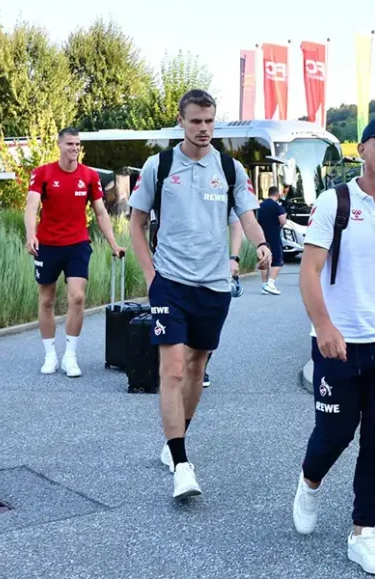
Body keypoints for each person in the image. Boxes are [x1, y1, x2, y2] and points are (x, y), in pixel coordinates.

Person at [291, 116, 375, 576]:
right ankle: (310, 482)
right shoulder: (336, 202)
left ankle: (363, 532)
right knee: (334, 434)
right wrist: (325, 326)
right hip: (338, 345)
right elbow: (309, 272)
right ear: (362, 149)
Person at [128, 89, 271, 500]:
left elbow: (246, 214)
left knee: (195, 368)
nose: (204, 129)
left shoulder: (230, 169)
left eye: (209, 121)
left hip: (214, 286)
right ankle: (182, 463)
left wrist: (261, 246)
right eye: (195, 121)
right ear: (181, 122)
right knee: (171, 370)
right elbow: (136, 225)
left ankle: (175, 438)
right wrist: (151, 276)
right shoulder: (160, 166)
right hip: (170, 282)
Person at [25, 127, 125, 378]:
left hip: (77, 245)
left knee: (77, 297)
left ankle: (70, 356)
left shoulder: (89, 176)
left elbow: (101, 212)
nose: (74, 148)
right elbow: (31, 207)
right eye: (70, 144)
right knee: (47, 299)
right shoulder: (43, 173)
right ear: (59, 145)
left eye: (78, 144)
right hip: (47, 245)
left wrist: (113, 243)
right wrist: (31, 235)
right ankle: (50, 355)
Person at [202, 215, 244, 389]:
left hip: (214, 269)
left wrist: (234, 258)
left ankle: (200, 367)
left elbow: (237, 223)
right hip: (176, 268)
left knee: (207, 325)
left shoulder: (224, 188)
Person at [257, 186, 287, 294]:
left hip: (262, 236)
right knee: (277, 259)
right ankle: (271, 283)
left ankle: (264, 285)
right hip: (274, 235)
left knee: (264, 259)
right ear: (277, 194)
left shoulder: (260, 205)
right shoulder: (277, 206)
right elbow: (283, 221)